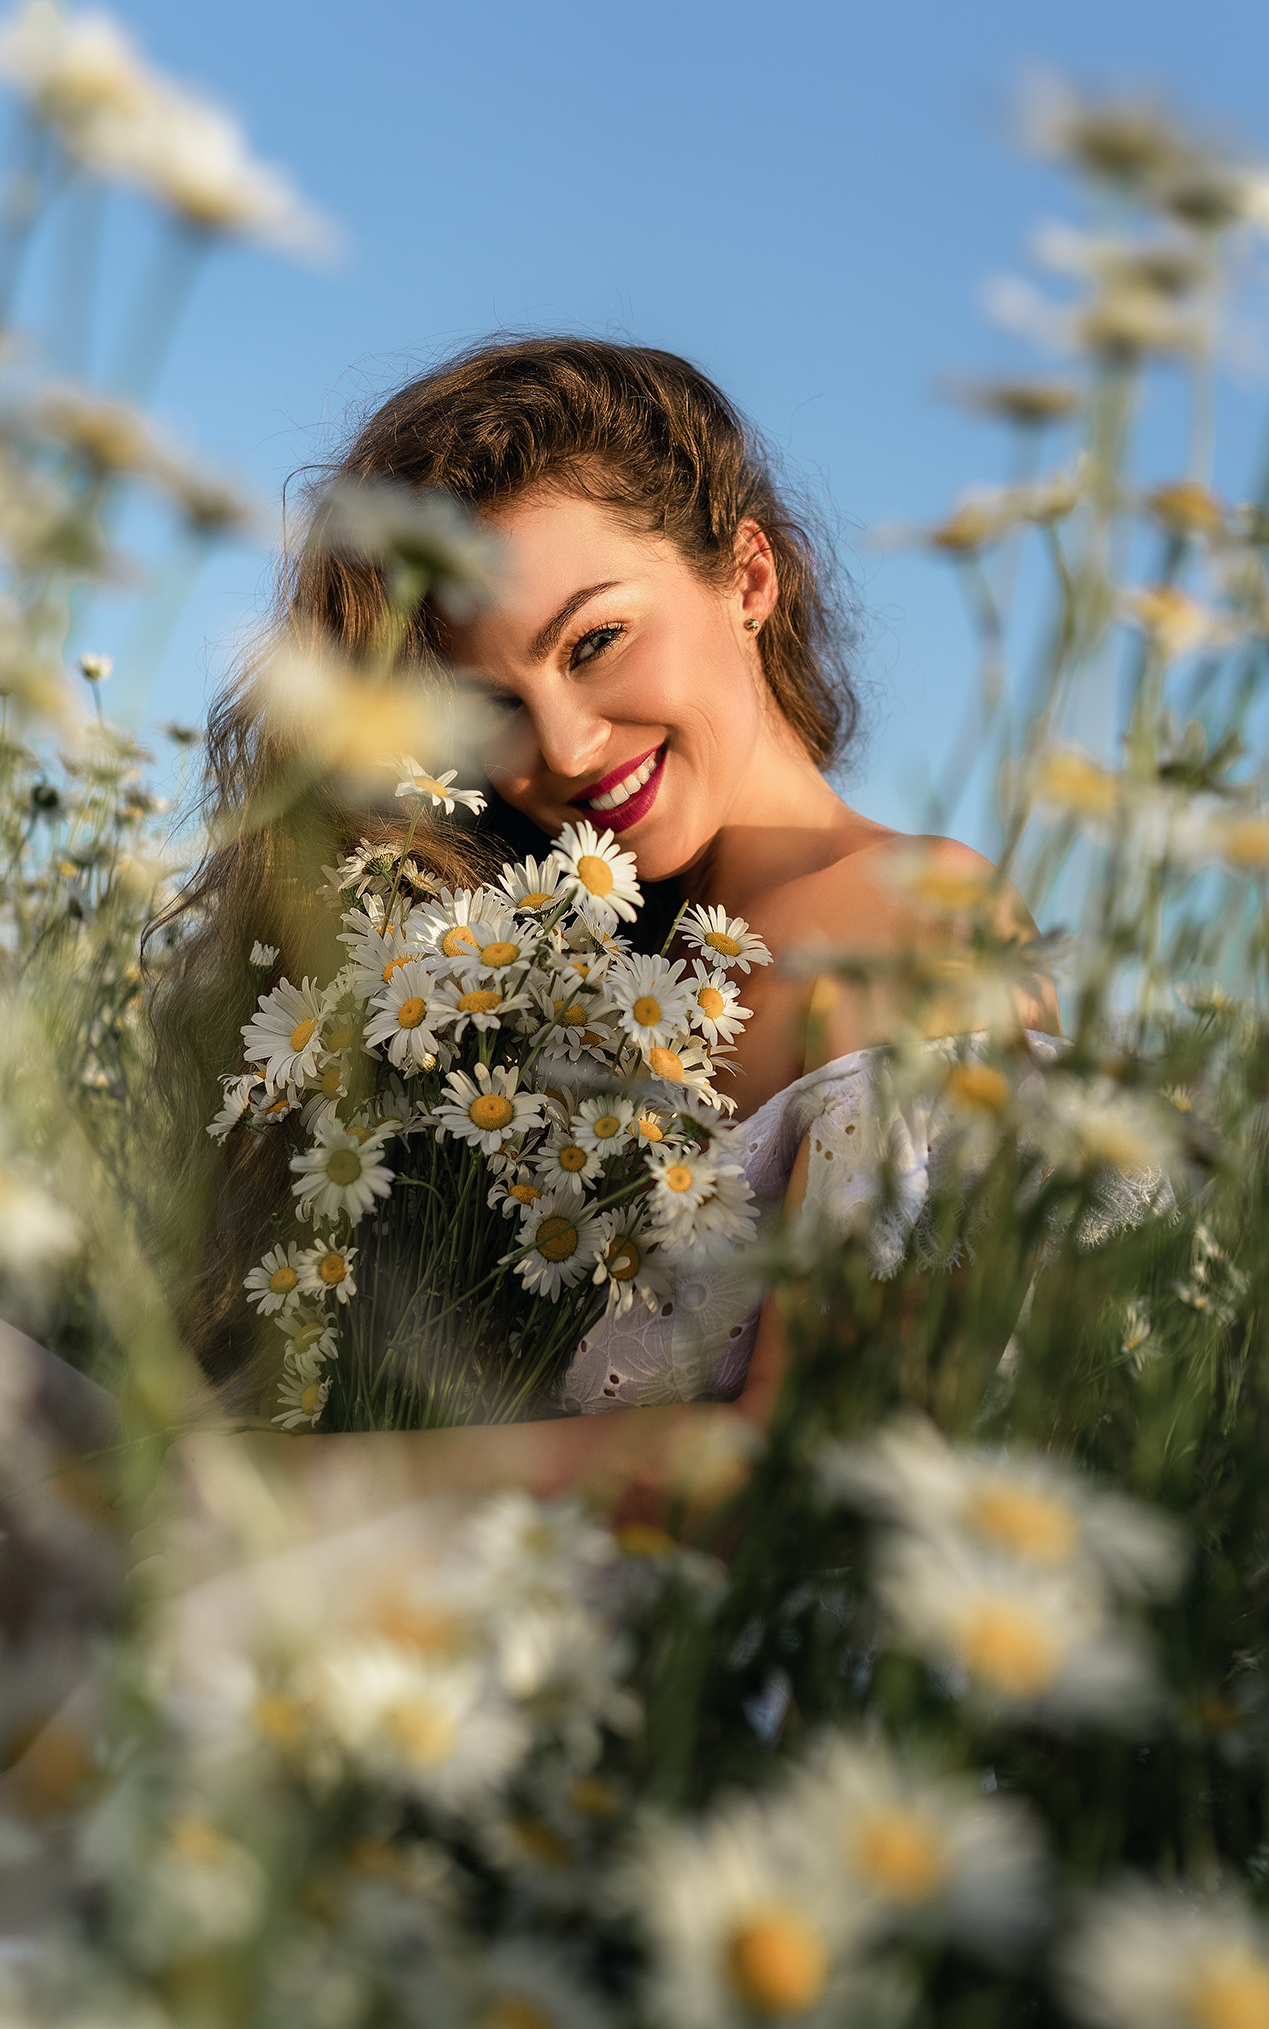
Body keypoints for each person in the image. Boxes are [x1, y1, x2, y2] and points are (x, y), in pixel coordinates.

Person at [153, 336, 1059, 1507]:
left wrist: (287, 1492)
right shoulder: (535, 974)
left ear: (748, 578)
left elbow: (824, 1465)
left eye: (596, 641)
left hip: (682, 1652)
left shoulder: (916, 912)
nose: (569, 750)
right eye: (494, 706)